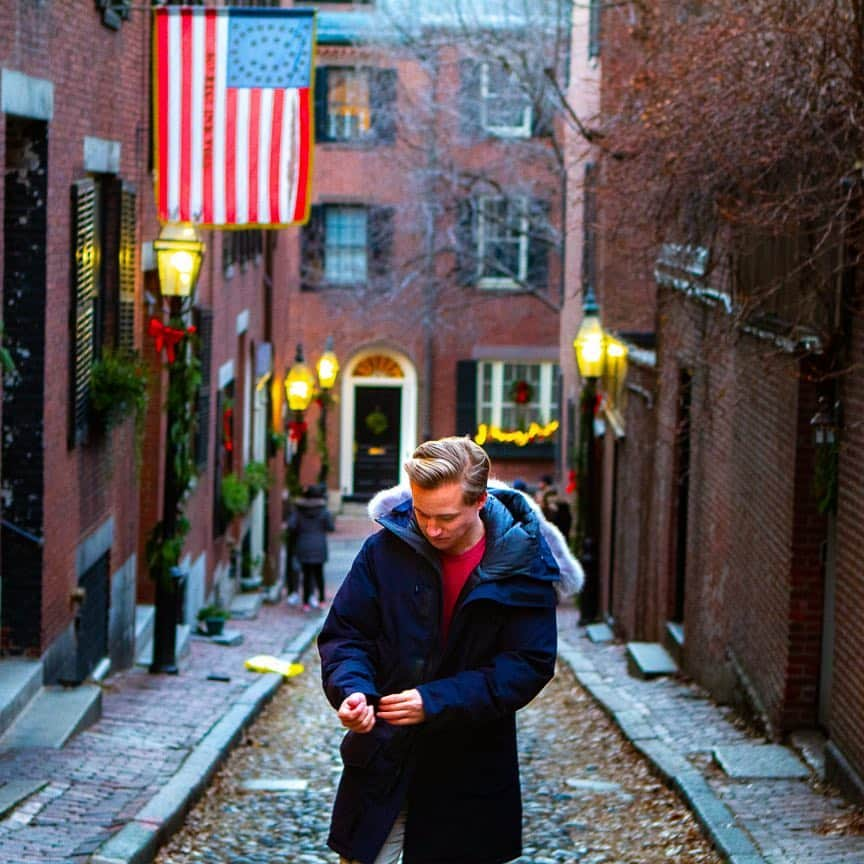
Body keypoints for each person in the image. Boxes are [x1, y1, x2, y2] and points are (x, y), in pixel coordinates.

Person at [318, 436, 583, 864]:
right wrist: (353, 691)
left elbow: (528, 665)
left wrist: (434, 700)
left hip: (469, 769)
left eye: (445, 517)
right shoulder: (384, 551)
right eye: (421, 514)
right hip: (385, 757)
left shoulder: (525, 567)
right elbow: (347, 634)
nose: (432, 529)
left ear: (479, 501)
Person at [289, 483, 335, 611]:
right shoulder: (323, 510)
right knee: (319, 574)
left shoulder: (299, 510)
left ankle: (305, 603)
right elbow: (330, 527)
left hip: (303, 545)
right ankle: (321, 600)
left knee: (306, 574)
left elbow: (292, 526)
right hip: (319, 546)